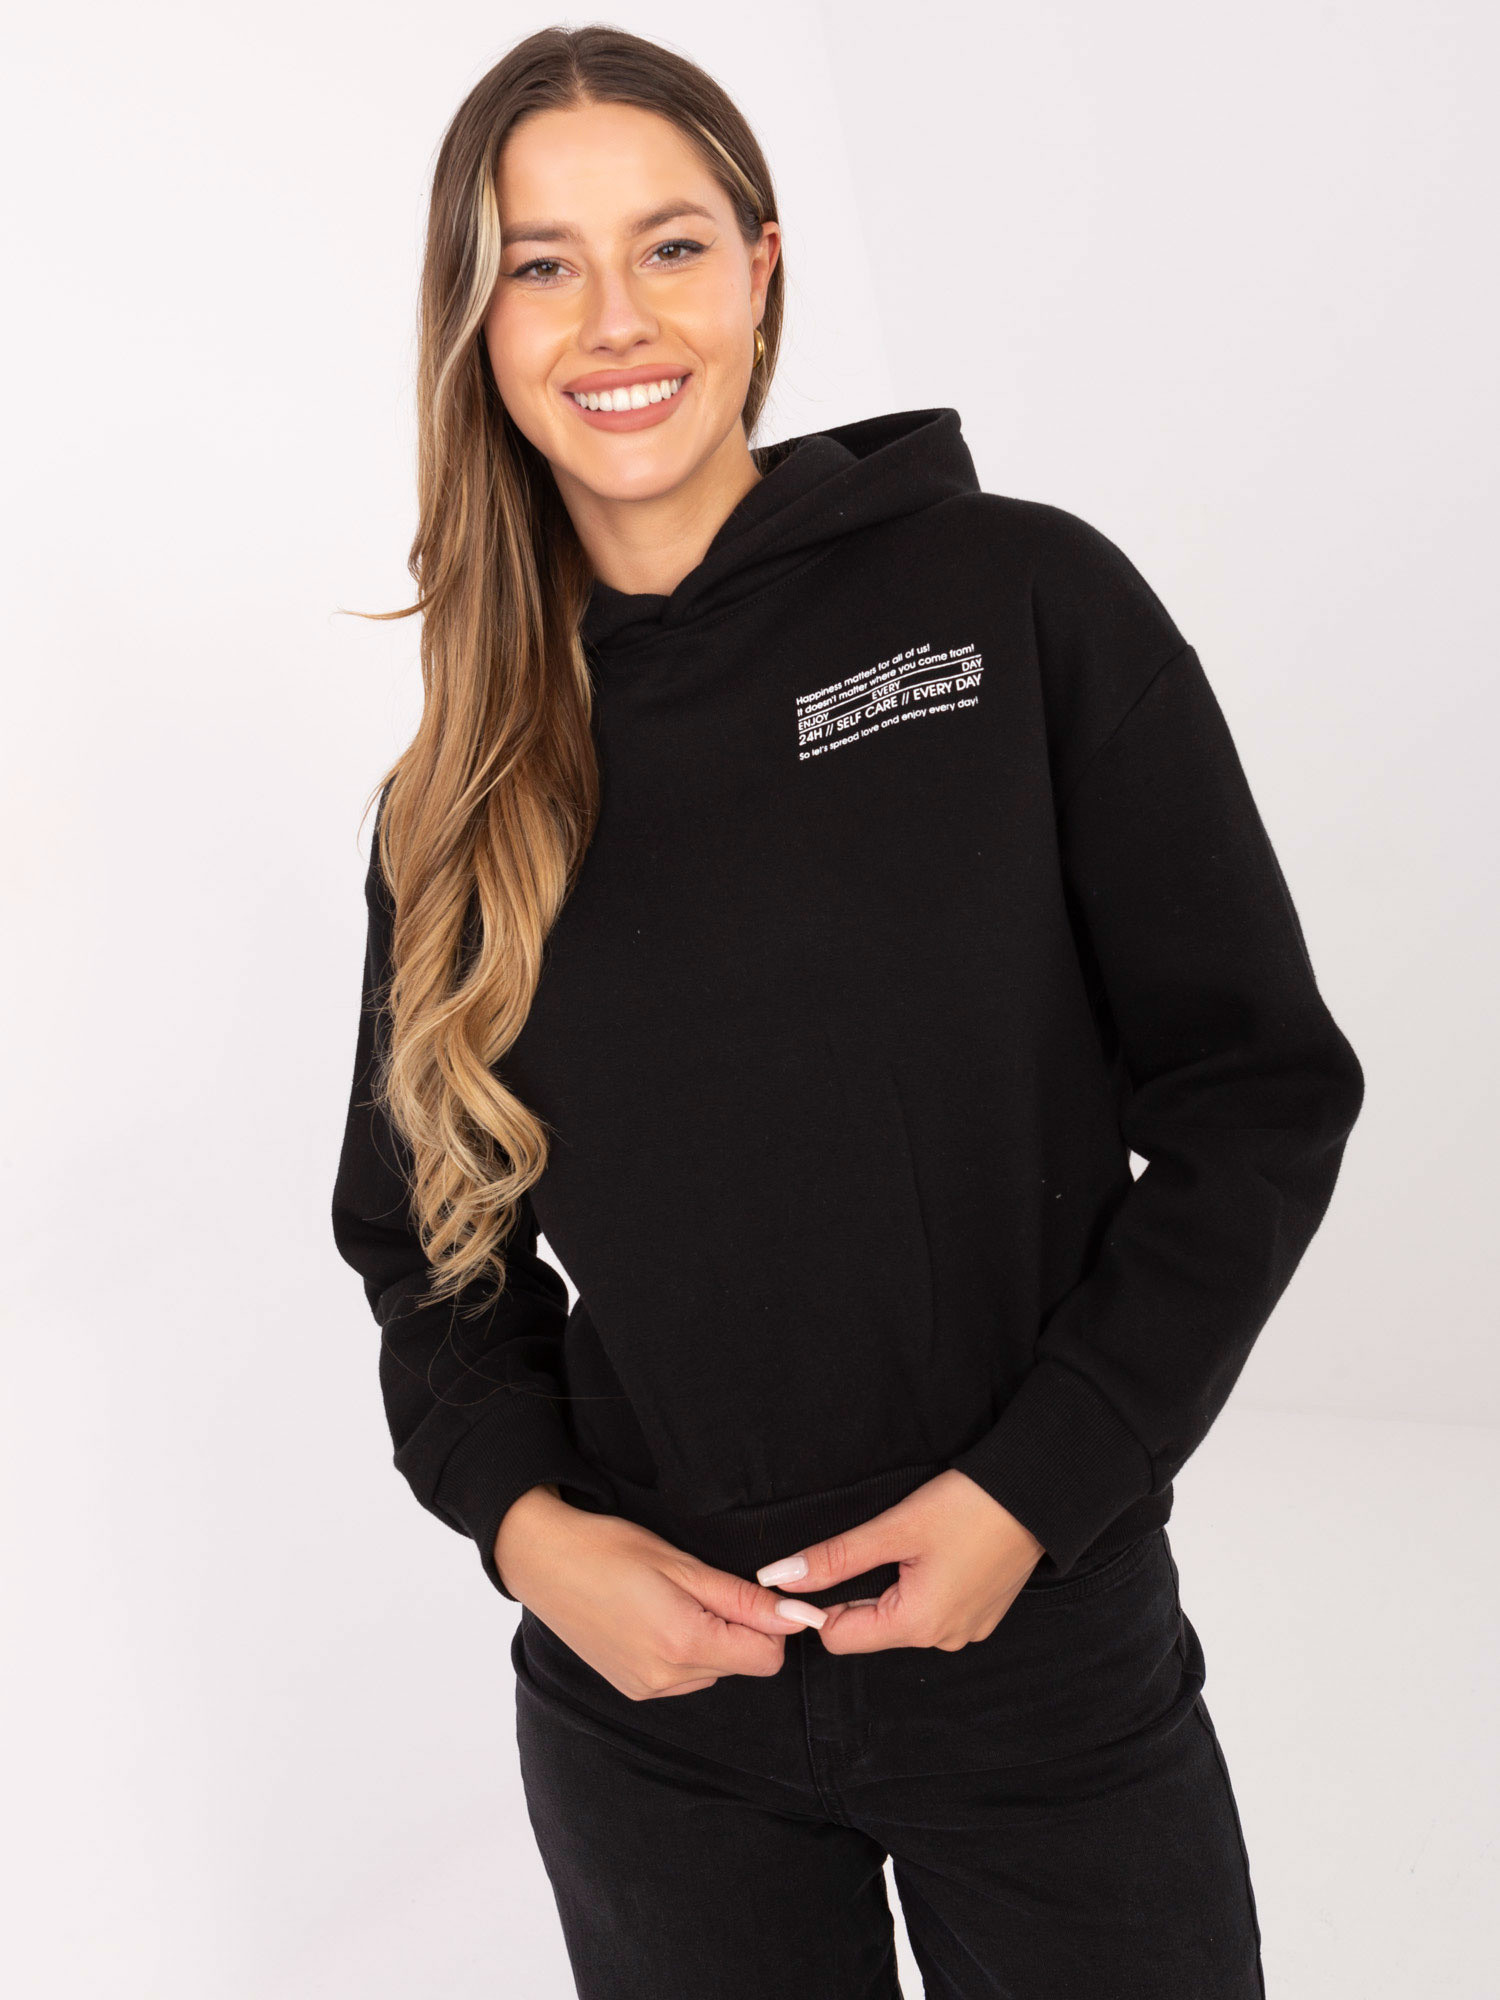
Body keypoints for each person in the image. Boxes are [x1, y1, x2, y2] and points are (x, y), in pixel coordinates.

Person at [330, 24, 1364, 1999]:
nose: (614, 319)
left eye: (670, 245)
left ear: (762, 271)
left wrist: (1033, 1495)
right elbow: (423, 1247)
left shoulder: (1020, 605)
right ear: (475, 324)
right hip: (656, 1726)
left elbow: (1256, 1096)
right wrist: (534, 1533)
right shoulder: (460, 788)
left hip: (1040, 1657)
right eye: (540, 264)